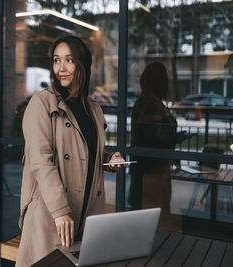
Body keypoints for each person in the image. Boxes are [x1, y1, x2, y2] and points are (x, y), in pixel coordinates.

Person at [16, 35, 126, 266]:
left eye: (69, 60)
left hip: (87, 210)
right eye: (57, 60)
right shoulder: (41, 103)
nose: (61, 68)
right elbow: (41, 160)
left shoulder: (93, 108)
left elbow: (86, 151)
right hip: (51, 213)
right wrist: (60, 211)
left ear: (82, 65)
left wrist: (109, 158)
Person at [128, 62, 187, 230]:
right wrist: (175, 139)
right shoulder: (150, 105)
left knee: (155, 217)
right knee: (153, 220)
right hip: (151, 171)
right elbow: (153, 138)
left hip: (154, 169)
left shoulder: (149, 103)